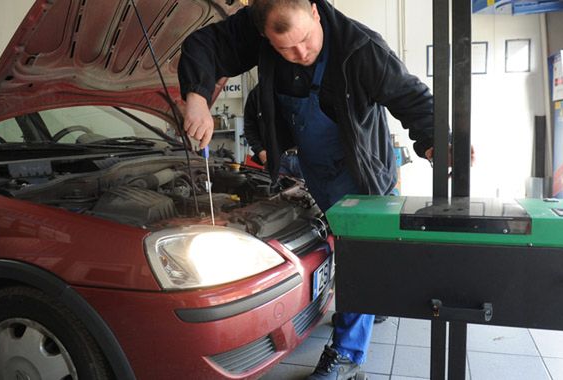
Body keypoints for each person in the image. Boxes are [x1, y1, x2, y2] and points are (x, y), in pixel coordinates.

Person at [178, 1, 435, 378]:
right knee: (347, 254)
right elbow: (204, 44)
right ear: (264, 35)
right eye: (284, 49)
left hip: (362, 172)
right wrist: (196, 98)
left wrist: (435, 142)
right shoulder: (257, 27)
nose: (299, 55)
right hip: (314, 169)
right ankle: (368, 303)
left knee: (359, 255)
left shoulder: (362, 49)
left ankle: (347, 355)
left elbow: (412, 99)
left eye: (305, 41)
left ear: (315, 12)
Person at [244, 84, 304, 178]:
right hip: (276, 161)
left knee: (313, 192)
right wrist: (260, 151)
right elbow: (249, 128)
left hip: (304, 159)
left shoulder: (301, 85)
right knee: (277, 192)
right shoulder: (256, 94)